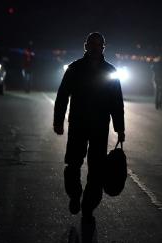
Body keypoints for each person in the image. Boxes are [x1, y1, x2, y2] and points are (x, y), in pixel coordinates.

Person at [53, 32, 125, 223]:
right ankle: (75, 195)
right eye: (92, 45)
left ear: (103, 47)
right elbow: (62, 96)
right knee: (73, 164)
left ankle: (88, 206)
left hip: (100, 127)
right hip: (78, 124)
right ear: (86, 46)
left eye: (98, 45)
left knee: (97, 169)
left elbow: (116, 102)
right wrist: (58, 121)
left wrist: (120, 128)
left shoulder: (110, 71)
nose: (95, 48)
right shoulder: (75, 69)